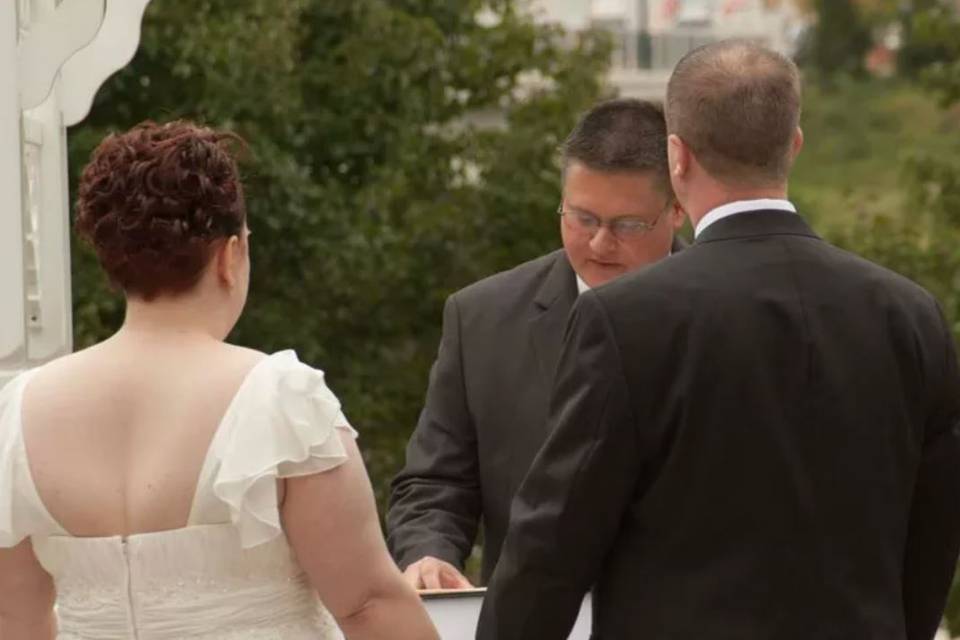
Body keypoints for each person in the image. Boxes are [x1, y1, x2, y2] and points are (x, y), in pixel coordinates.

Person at [477, 40, 960, 640]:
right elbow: (935, 535)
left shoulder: (626, 320)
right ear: (794, 144)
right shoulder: (911, 315)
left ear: (676, 157)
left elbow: (551, 547)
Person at [0, 121, 438, 640]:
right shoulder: (277, 399)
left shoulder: (19, 411)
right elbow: (367, 605)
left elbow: (16, 621)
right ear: (229, 256)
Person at [387, 99, 685, 589]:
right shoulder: (480, 318)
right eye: (582, 218)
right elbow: (435, 482)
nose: (599, 244)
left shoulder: (734, 317)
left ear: (677, 209)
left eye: (627, 225)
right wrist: (429, 553)